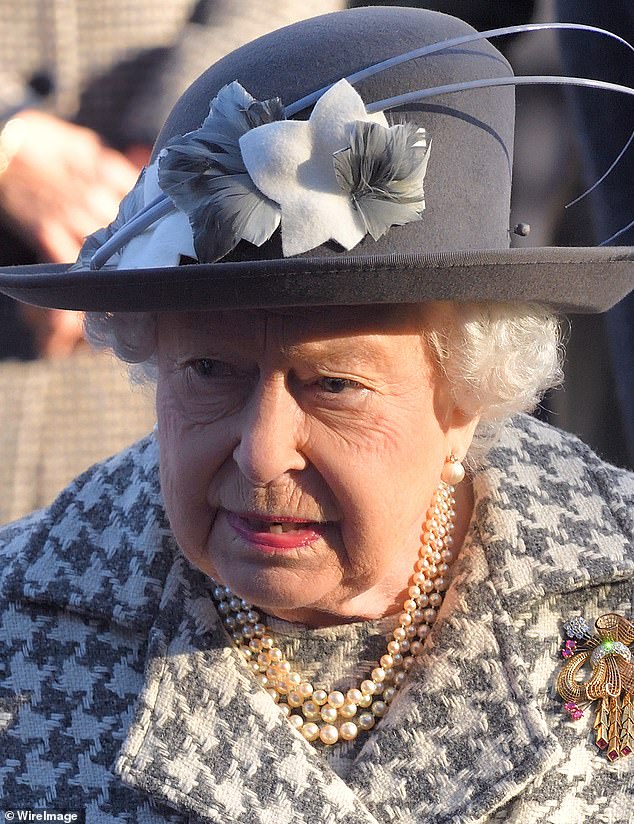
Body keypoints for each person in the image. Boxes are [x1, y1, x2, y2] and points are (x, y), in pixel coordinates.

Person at [0, 7, 632, 822]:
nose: (262, 455)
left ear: (465, 398)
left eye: (333, 386)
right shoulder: (21, 625)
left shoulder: (610, 585)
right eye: (209, 370)